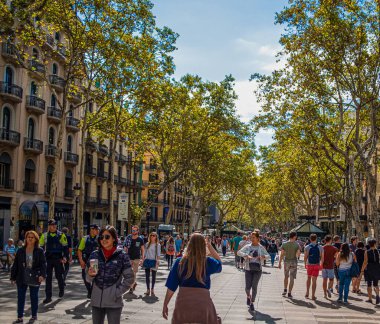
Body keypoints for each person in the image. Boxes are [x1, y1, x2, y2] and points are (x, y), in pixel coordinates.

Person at [162, 233, 222, 323]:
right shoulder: (208, 261)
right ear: (203, 246)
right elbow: (219, 264)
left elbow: (171, 286)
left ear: (189, 244)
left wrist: (165, 304)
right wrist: (209, 246)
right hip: (203, 303)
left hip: (183, 303)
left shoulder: (179, 262)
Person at [86, 226, 134, 324]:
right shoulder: (95, 255)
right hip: (96, 301)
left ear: (113, 238)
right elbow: (87, 278)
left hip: (114, 303)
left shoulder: (122, 255)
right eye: (101, 237)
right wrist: (90, 275)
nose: (103, 239)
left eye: (107, 237)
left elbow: (130, 278)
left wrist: (116, 293)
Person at [10, 231, 46, 323]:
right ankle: (20, 316)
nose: (30, 239)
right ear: (26, 238)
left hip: (34, 276)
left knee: (34, 296)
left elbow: (43, 264)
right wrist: (13, 277)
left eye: (32, 237)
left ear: (35, 239)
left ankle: (34, 315)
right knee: (20, 297)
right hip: (21, 276)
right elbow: (16, 265)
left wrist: (42, 275)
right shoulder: (20, 250)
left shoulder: (39, 250)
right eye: (28, 237)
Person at [238, 231, 269, 313]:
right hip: (248, 269)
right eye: (251, 237)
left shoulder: (261, 247)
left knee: (254, 286)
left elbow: (268, 256)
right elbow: (238, 252)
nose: (252, 239)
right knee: (247, 288)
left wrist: (262, 257)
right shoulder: (247, 247)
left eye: (253, 237)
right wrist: (246, 255)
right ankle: (248, 296)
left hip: (258, 270)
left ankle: (252, 303)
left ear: (258, 238)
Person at [39, 219, 69, 303]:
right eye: (51, 225)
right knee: (48, 278)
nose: (53, 226)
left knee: (59, 276)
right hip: (48, 259)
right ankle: (48, 297)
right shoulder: (44, 235)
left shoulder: (61, 235)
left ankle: (61, 289)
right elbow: (40, 247)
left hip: (58, 259)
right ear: (48, 226)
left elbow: (65, 247)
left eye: (55, 224)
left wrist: (65, 257)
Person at [77, 224, 99, 299]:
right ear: (92, 230)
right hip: (86, 261)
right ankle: (89, 291)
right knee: (84, 277)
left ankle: (91, 292)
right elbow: (79, 250)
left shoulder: (99, 239)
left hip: (95, 262)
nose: (97, 231)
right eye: (96, 229)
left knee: (94, 278)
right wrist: (81, 260)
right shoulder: (85, 239)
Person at [278, 231, 300, 298]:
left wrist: (279, 263)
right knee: (292, 278)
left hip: (286, 261)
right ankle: (289, 293)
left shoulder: (284, 244)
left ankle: (285, 289)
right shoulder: (297, 245)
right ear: (294, 236)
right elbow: (298, 254)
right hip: (294, 262)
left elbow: (282, 254)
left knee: (286, 276)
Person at [124, 225, 145, 293]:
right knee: (129, 273)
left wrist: (142, 259)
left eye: (135, 230)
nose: (134, 231)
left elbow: (142, 249)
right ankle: (134, 283)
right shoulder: (128, 238)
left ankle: (131, 287)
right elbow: (125, 248)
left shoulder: (140, 239)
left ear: (138, 231)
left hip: (136, 258)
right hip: (129, 258)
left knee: (134, 273)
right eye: (133, 230)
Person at [304, 233, 324, 300]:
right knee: (314, 281)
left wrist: (305, 264)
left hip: (309, 265)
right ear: (316, 238)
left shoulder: (307, 247)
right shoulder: (320, 247)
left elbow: (305, 257)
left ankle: (307, 293)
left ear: (310, 239)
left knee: (308, 278)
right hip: (316, 265)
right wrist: (321, 265)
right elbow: (322, 258)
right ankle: (313, 295)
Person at [360, 239, 380, 304]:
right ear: (374, 244)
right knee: (376, 284)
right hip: (377, 268)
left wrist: (362, 270)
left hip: (369, 269)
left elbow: (365, 262)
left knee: (369, 284)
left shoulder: (367, 252)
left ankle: (370, 299)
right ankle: (377, 295)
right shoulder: (378, 251)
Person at [142, 232, 161, 296]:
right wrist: (142, 260)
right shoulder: (147, 244)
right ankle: (148, 290)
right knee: (147, 276)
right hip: (147, 261)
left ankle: (152, 289)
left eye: (154, 235)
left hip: (154, 261)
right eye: (152, 235)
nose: (153, 236)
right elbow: (144, 254)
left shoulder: (157, 245)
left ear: (156, 237)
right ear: (150, 236)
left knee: (153, 276)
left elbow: (158, 255)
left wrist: (157, 262)